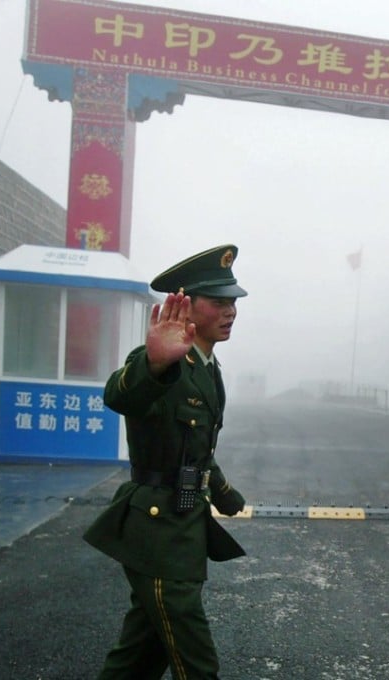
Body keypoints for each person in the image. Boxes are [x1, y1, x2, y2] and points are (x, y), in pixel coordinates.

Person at [84, 244, 250, 679]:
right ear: (185, 305)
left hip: (182, 526)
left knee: (139, 657)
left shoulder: (207, 367)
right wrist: (155, 363)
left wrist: (226, 494)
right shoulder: (163, 362)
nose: (230, 311)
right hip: (157, 532)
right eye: (218, 302)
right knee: (196, 663)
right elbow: (119, 394)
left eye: (233, 301)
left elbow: (196, 451)